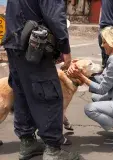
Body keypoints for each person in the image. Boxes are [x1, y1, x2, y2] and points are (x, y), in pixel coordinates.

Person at [3, 0, 80, 160]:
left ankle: (27, 142)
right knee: (49, 95)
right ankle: (53, 150)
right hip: (33, 46)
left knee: (22, 94)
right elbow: (54, 15)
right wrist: (65, 48)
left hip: (14, 44)